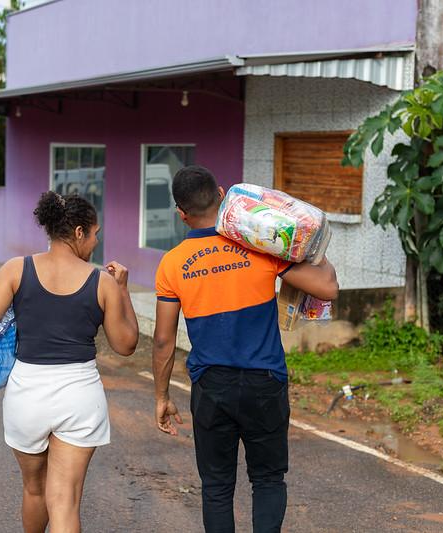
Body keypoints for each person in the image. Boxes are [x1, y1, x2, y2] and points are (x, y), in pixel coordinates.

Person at [151, 166, 339, 533]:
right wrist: (309, 242)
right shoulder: (259, 247)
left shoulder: (171, 264)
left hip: (211, 386)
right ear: (222, 195)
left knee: (217, 487)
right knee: (268, 480)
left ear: (181, 214)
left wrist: (162, 396)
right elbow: (328, 287)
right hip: (264, 382)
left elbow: (162, 340)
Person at [0, 191, 139, 533]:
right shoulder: (102, 281)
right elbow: (125, 344)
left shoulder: (17, 269)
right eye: (95, 234)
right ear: (78, 232)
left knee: (34, 489)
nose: (96, 242)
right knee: (65, 500)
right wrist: (122, 290)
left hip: (27, 394)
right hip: (79, 395)